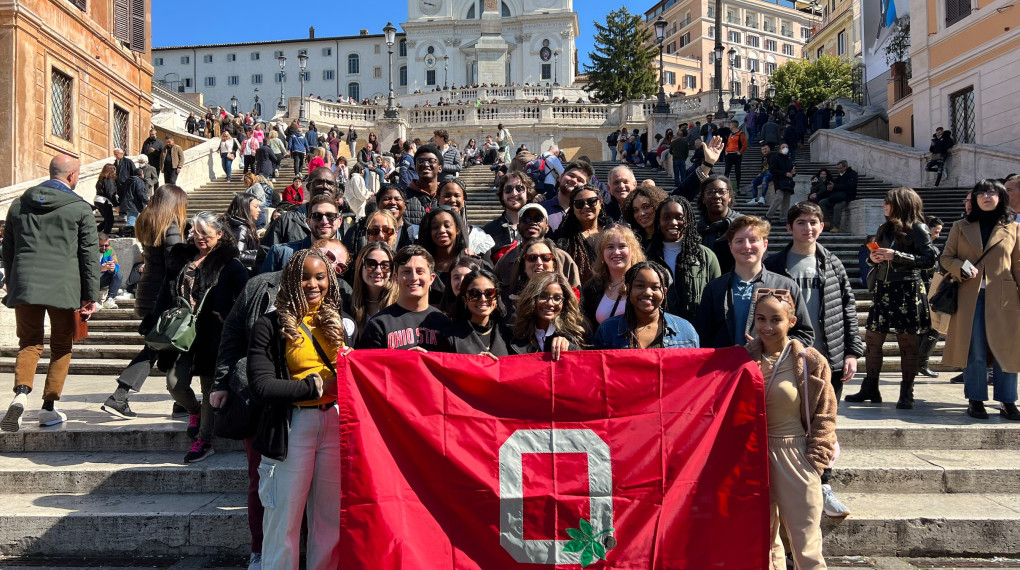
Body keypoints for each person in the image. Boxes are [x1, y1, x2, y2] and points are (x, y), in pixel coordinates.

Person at [246, 249, 347, 569]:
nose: (313, 284)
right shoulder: (269, 325)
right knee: (283, 524)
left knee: (329, 523)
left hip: (333, 423)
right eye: (305, 277)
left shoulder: (334, 323)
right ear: (290, 280)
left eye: (320, 277)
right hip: (290, 429)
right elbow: (261, 386)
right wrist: (315, 387)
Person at [764, 202, 862, 518]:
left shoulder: (832, 263)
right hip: (787, 358)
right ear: (790, 228)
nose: (809, 228)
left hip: (827, 356)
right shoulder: (775, 264)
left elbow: (848, 307)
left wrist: (852, 351)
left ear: (822, 227)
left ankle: (824, 483)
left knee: (824, 424)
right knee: (791, 424)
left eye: (815, 222)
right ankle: (792, 482)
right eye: (802, 222)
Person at [1, 154, 99, 432]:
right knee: (61, 346)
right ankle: (48, 407)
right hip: (64, 287)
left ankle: (20, 395)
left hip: (25, 284)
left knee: (29, 343)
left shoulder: (19, 204)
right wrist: (90, 295)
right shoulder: (79, 208)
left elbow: (7, 248)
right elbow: (89, 256)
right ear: (72, 176)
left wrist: (13, 281)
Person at [745, 291, 836, 570]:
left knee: (806, 541)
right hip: (753, 457)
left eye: (776, 319)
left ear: (792, 321)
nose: (767, 327)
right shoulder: (742, 359)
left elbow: (826, 412)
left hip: (796, 454)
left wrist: (817, 457)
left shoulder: (809, 361)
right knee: (763, 541)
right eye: (761, 319)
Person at [159, 212, 248, 462]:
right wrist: (156, 319)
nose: (199, 237)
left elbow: (245, 297)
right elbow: (164, 293)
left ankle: (205, 439)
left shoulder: (230, 264)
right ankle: (193, 410)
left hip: (214, 335)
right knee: (175, 383)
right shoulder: (181, 258)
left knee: (210, 386)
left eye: (205, 233)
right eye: (195, 232)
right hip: (180, 333)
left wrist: (228, 317)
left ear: (219, 234)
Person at [101, 186, 188, 419]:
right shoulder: (170, 225)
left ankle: (181, 400)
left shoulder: (147, 221)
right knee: (155, 347)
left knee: (168, 346)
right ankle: (119, 396)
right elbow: (175, 262)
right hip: (163, 295)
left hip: (148, 291)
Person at [846, 188, 937, 409]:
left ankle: (907, 392)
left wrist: (896, 255)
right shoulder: (884, 228)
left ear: (900, 204)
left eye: (887, 203)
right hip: (884, 288)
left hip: (908, 290)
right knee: (872, 340)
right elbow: (877, 259)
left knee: (907, 343)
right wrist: (873, 258)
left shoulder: (918, 228)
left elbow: (930, 259)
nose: (884, 206)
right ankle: (870, 387)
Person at [940, 180, 1020, 420]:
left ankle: (1008, 401)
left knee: (1006, 349)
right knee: (973, 349)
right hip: (969, 295)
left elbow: (1017, 263)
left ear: (1001, 196)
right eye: (981, 193)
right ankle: (976, 400)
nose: (986, 196)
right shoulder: (960, 226)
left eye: (992, 192)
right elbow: (946, 258)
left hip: (1005, 296)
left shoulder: (1012, 227)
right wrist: (961, 267)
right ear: (974, 198)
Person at [695, 216, 813, 349]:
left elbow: (804, 334)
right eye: (739, 241)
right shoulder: (714, 288)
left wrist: (773, 346)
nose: (747, 246)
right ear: (730, 246)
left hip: (770, 367)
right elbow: (703, 336)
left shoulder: (786, 286)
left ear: (765, 245)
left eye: (753, 240)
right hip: (726, 366)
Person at [357, 245, 452, 351]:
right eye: (406, 271)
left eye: (420, 271)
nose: (414, 277)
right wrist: (404, 360)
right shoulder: (378, 324)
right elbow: (367, 366)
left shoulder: (446, 324)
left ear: (431, 278)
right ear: (395, 277)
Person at [646, 196, 721, 323]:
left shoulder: (706, 256)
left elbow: (717, 299)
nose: (673, 222)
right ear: (659, 221)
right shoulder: (648, 256)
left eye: (679, 217)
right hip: (658, 331)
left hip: (697, 332)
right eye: (667, 217)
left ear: (688, 220)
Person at [593, 261, 699, 349]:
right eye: (640, 286)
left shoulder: (686, 331)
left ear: (664, 292)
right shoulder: (607, 331)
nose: (648, 292)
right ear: (629, 289)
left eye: (655, 287)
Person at [493, 204, 582, 291]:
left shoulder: (563, 259)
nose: (532, 222)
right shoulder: (505, 261)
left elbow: (576, 296)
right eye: (526, 219)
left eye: (538, 219)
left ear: (547, 228)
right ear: (518, 226)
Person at [508, 271, 585, 358]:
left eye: (557, 298)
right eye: (543, 296)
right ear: (531, 298)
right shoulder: (514, 332)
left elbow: (584, 366)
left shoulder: (575, 334)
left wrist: (570, 347)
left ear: (564, 302)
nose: (550, 303)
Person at [580, 225, 645, 327]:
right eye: (610, 247)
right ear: (602, 253)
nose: (616, 252)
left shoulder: (644, 283)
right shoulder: (592, 287)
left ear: (633, 251)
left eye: (622, 246)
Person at [262, 195, 343, 273]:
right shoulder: (280, 254)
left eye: (330, 216)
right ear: (308, 222)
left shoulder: (345, 258)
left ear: (339, 222)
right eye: (317, 216)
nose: (324, 221)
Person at [441, 268, 512, 357]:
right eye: (474, 294)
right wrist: (472, 364)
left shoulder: (507, 333)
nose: (483, 299)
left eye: (490, 293)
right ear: (465, 299)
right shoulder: (450, 334)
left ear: (497, 297)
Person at [417, 205, 475, 306]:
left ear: (458, 230)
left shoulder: (472, 263)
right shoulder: (419, 264)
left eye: (447, 226)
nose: (441, 230)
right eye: (435, 227)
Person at [554, 184, 609, 285]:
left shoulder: (612, 232)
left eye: (592, 201)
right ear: (573, 208)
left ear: (600, 203)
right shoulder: (563, 238)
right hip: (578, 295)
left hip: (610, 294)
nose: (586, 206)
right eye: (579, 203)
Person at [349, 242, 398, 340]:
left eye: (385, 266)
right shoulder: (349, 305)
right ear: (360, 267)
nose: (378, 270)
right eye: (371, 264)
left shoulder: (400, 304)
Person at [696, 175, 743, 274]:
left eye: (722, 192)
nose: (716, 196)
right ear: (703, 198)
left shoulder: (743, 225)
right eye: (710, 192)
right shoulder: (696, 230)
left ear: (729, 197)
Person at [483, 171, 536, 253]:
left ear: (528, 194)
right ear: (502, 195)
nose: (514, 193)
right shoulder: (490, 230)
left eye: (519, 188)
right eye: (508, 189)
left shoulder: (538, 228)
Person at [540, 161, 594, 233]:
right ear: (561, 176)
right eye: (571, 176)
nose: (574, 180)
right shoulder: (541, 209)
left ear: (585, 187)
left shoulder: (586, 214)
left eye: (580, 180)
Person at [405, 144, 443, 226]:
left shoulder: (447, 196)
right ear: (415, 167)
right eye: (421, 161)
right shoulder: (403, 197)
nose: (425, 164)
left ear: (440, 168)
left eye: (431, 161)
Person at [225, 193, 261, 275]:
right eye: (256, 207)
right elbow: (238, 255)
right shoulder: (241, 228)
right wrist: (261, 255)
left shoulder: (238, 224)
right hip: (242, 274)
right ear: (245, 208)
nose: (259, 210)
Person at [820, 161, 858, 232]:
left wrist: (835, 186)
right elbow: (835, 186)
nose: (839, 170)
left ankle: (835, 226)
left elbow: (849, 186)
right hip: (837, 196)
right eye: (838, 168)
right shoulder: (840, 175)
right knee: (822, 203)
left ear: (845, 167)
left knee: (837, 207)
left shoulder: (852, 174)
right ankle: (827, 221)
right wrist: (830, 188)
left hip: (847, 196)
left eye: (840, 168)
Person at [766, 142, 796, 225]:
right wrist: (785, 173)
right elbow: (772, 169)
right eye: (783, 147)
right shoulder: (775, 157)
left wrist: (793, 173)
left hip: (788, 182)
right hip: (779, 180)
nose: (785, 148)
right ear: (779, 149)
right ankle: (768, 215)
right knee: (779, 197)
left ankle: (783, 218)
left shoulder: (789, 160)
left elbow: (791, 172)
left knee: (786, 200)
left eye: (787, 147)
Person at [723, 120, 748, 189]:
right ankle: (725, 185)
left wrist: (740, 152)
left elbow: (744, 145)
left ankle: (737, 185)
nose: (729, 126)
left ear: (733, 125)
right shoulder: (730, 134)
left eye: (730, 125)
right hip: (729, 154)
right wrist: (726, 150)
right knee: (727, 170)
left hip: (736, 154)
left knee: (737, 171)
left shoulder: (741, 134)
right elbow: (728, 144)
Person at [94, 163, 119, 234]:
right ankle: (106, 234)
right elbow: (110, 193)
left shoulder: (101, 179)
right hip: (104, 201)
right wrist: (116, 204)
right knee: (110, 220)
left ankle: (96, 231)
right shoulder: (109, 179)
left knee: (107, 219)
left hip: (97, 200)